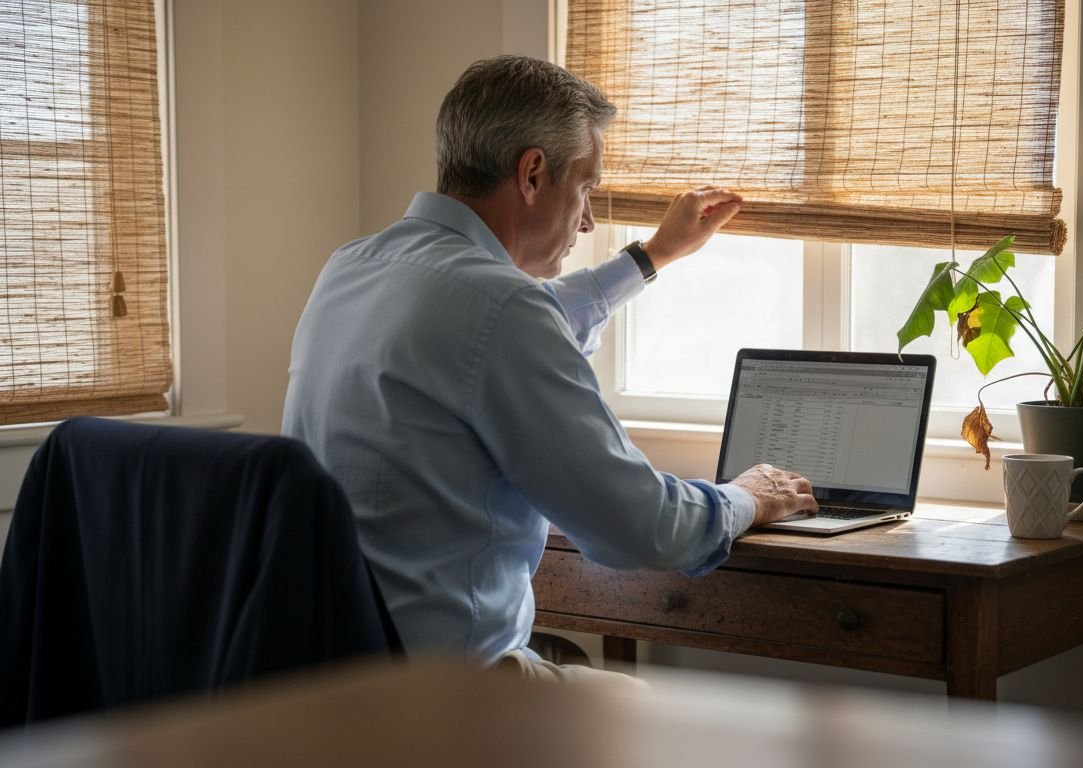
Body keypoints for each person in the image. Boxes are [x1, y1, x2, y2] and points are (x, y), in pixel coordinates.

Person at [281, 55, 817, 682]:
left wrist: (652, 256)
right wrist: (746, 498)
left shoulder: (354, 266)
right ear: (532, 173)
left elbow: (500, 325)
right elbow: (639, 527)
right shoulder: (502, 306)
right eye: (586, 186)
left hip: (325, 682)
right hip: (446, 693)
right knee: (659, 719)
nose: (588, 219)